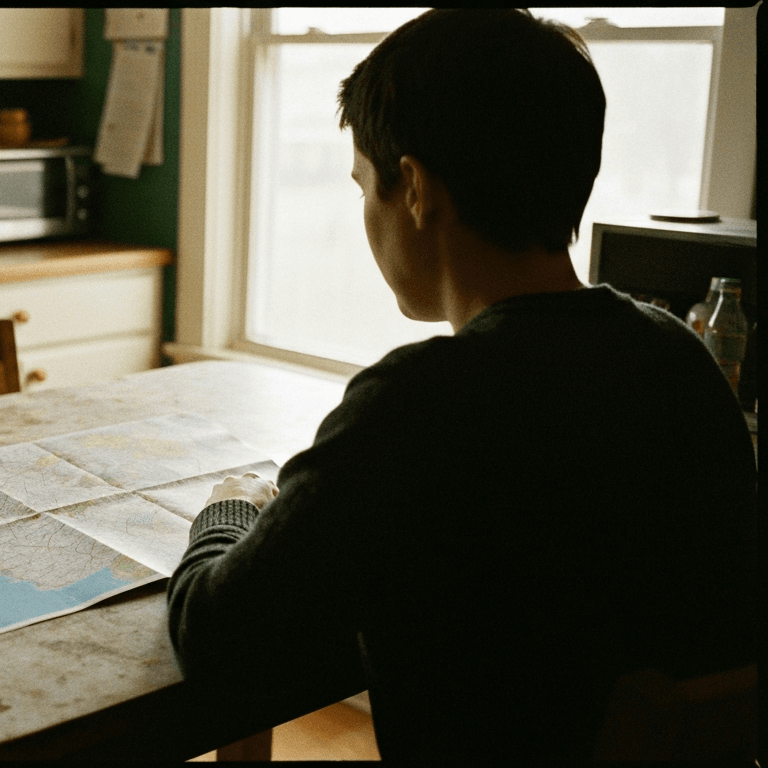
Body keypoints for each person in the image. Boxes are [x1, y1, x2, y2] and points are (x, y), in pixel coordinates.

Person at [166, 9, 756, 760]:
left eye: (364, 187)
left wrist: (227, 512)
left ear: (413, 188)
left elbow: (219, 641)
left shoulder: (419, 404)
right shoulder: (682, 360)